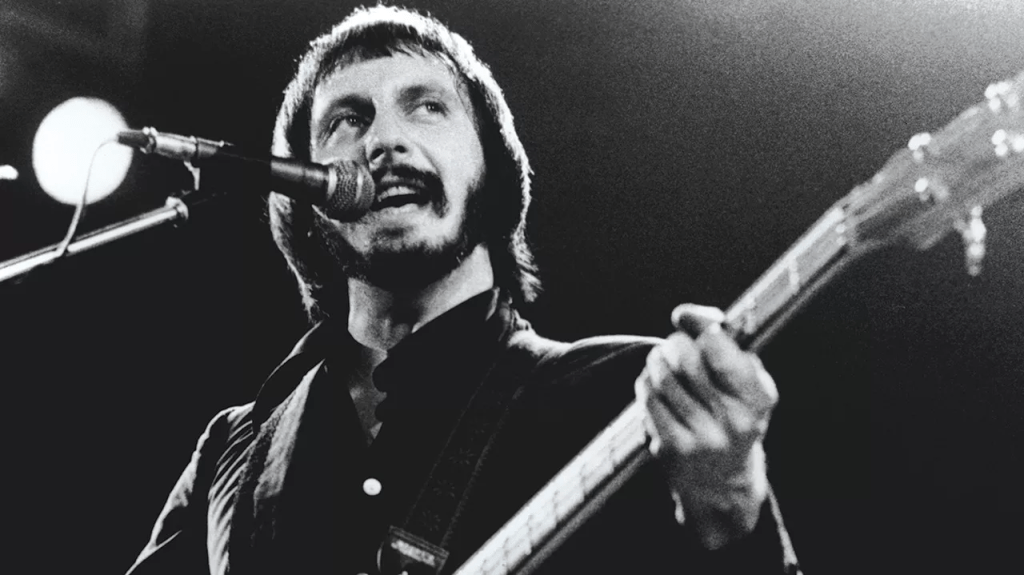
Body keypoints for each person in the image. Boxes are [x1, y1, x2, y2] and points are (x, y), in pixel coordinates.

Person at [126, 6, 801, 575]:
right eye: (346, 121)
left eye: (427, 107)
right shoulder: (234, 449)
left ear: (492, 168)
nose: (384, 140)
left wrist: (732, 511)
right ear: (304, 195)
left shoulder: (630, 397)